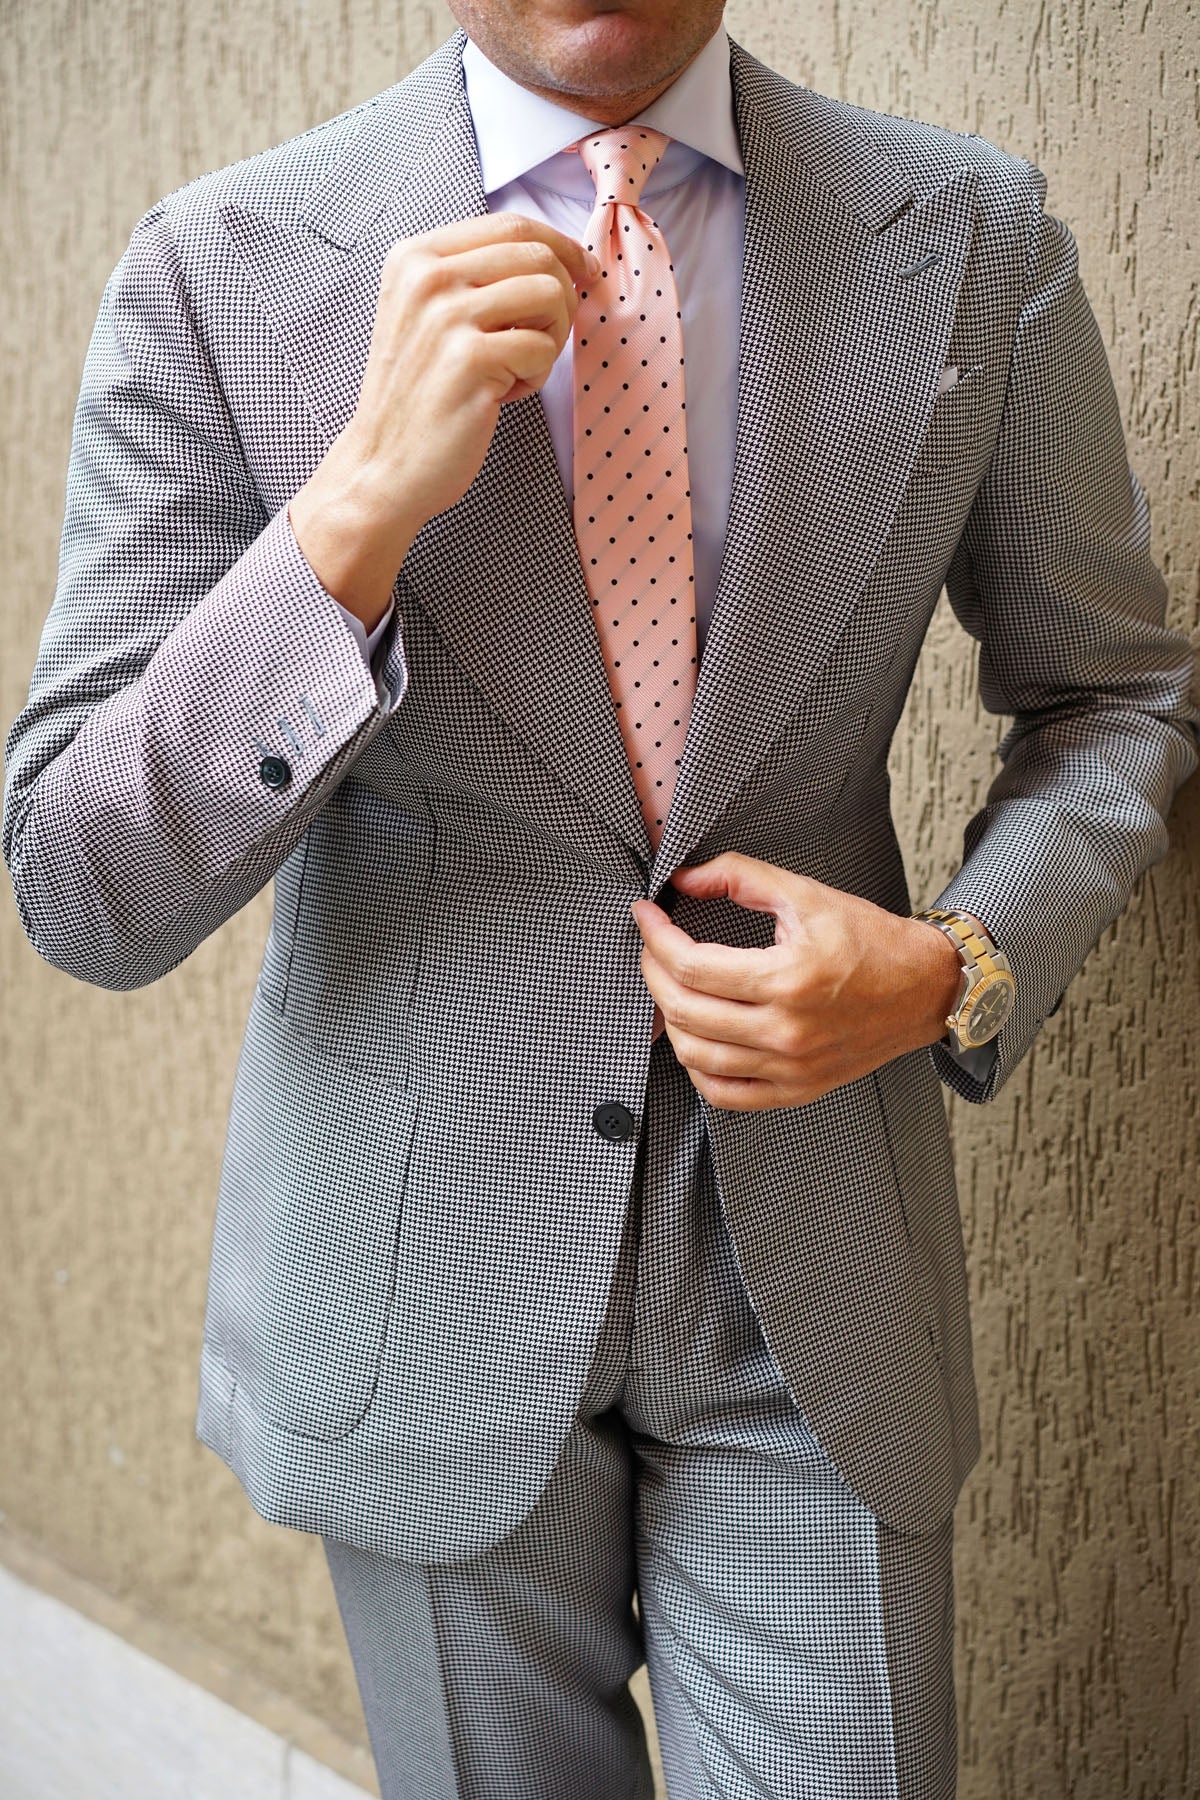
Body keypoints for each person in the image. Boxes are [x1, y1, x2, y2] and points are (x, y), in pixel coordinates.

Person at [4, 1, 1196, 1794]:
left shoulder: (969, 238)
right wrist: (348, 521)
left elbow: (1118, 694)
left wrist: (958, 965)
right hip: (419, 1289)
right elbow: (81, 887)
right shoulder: (223, 265)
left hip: (814, 1276)